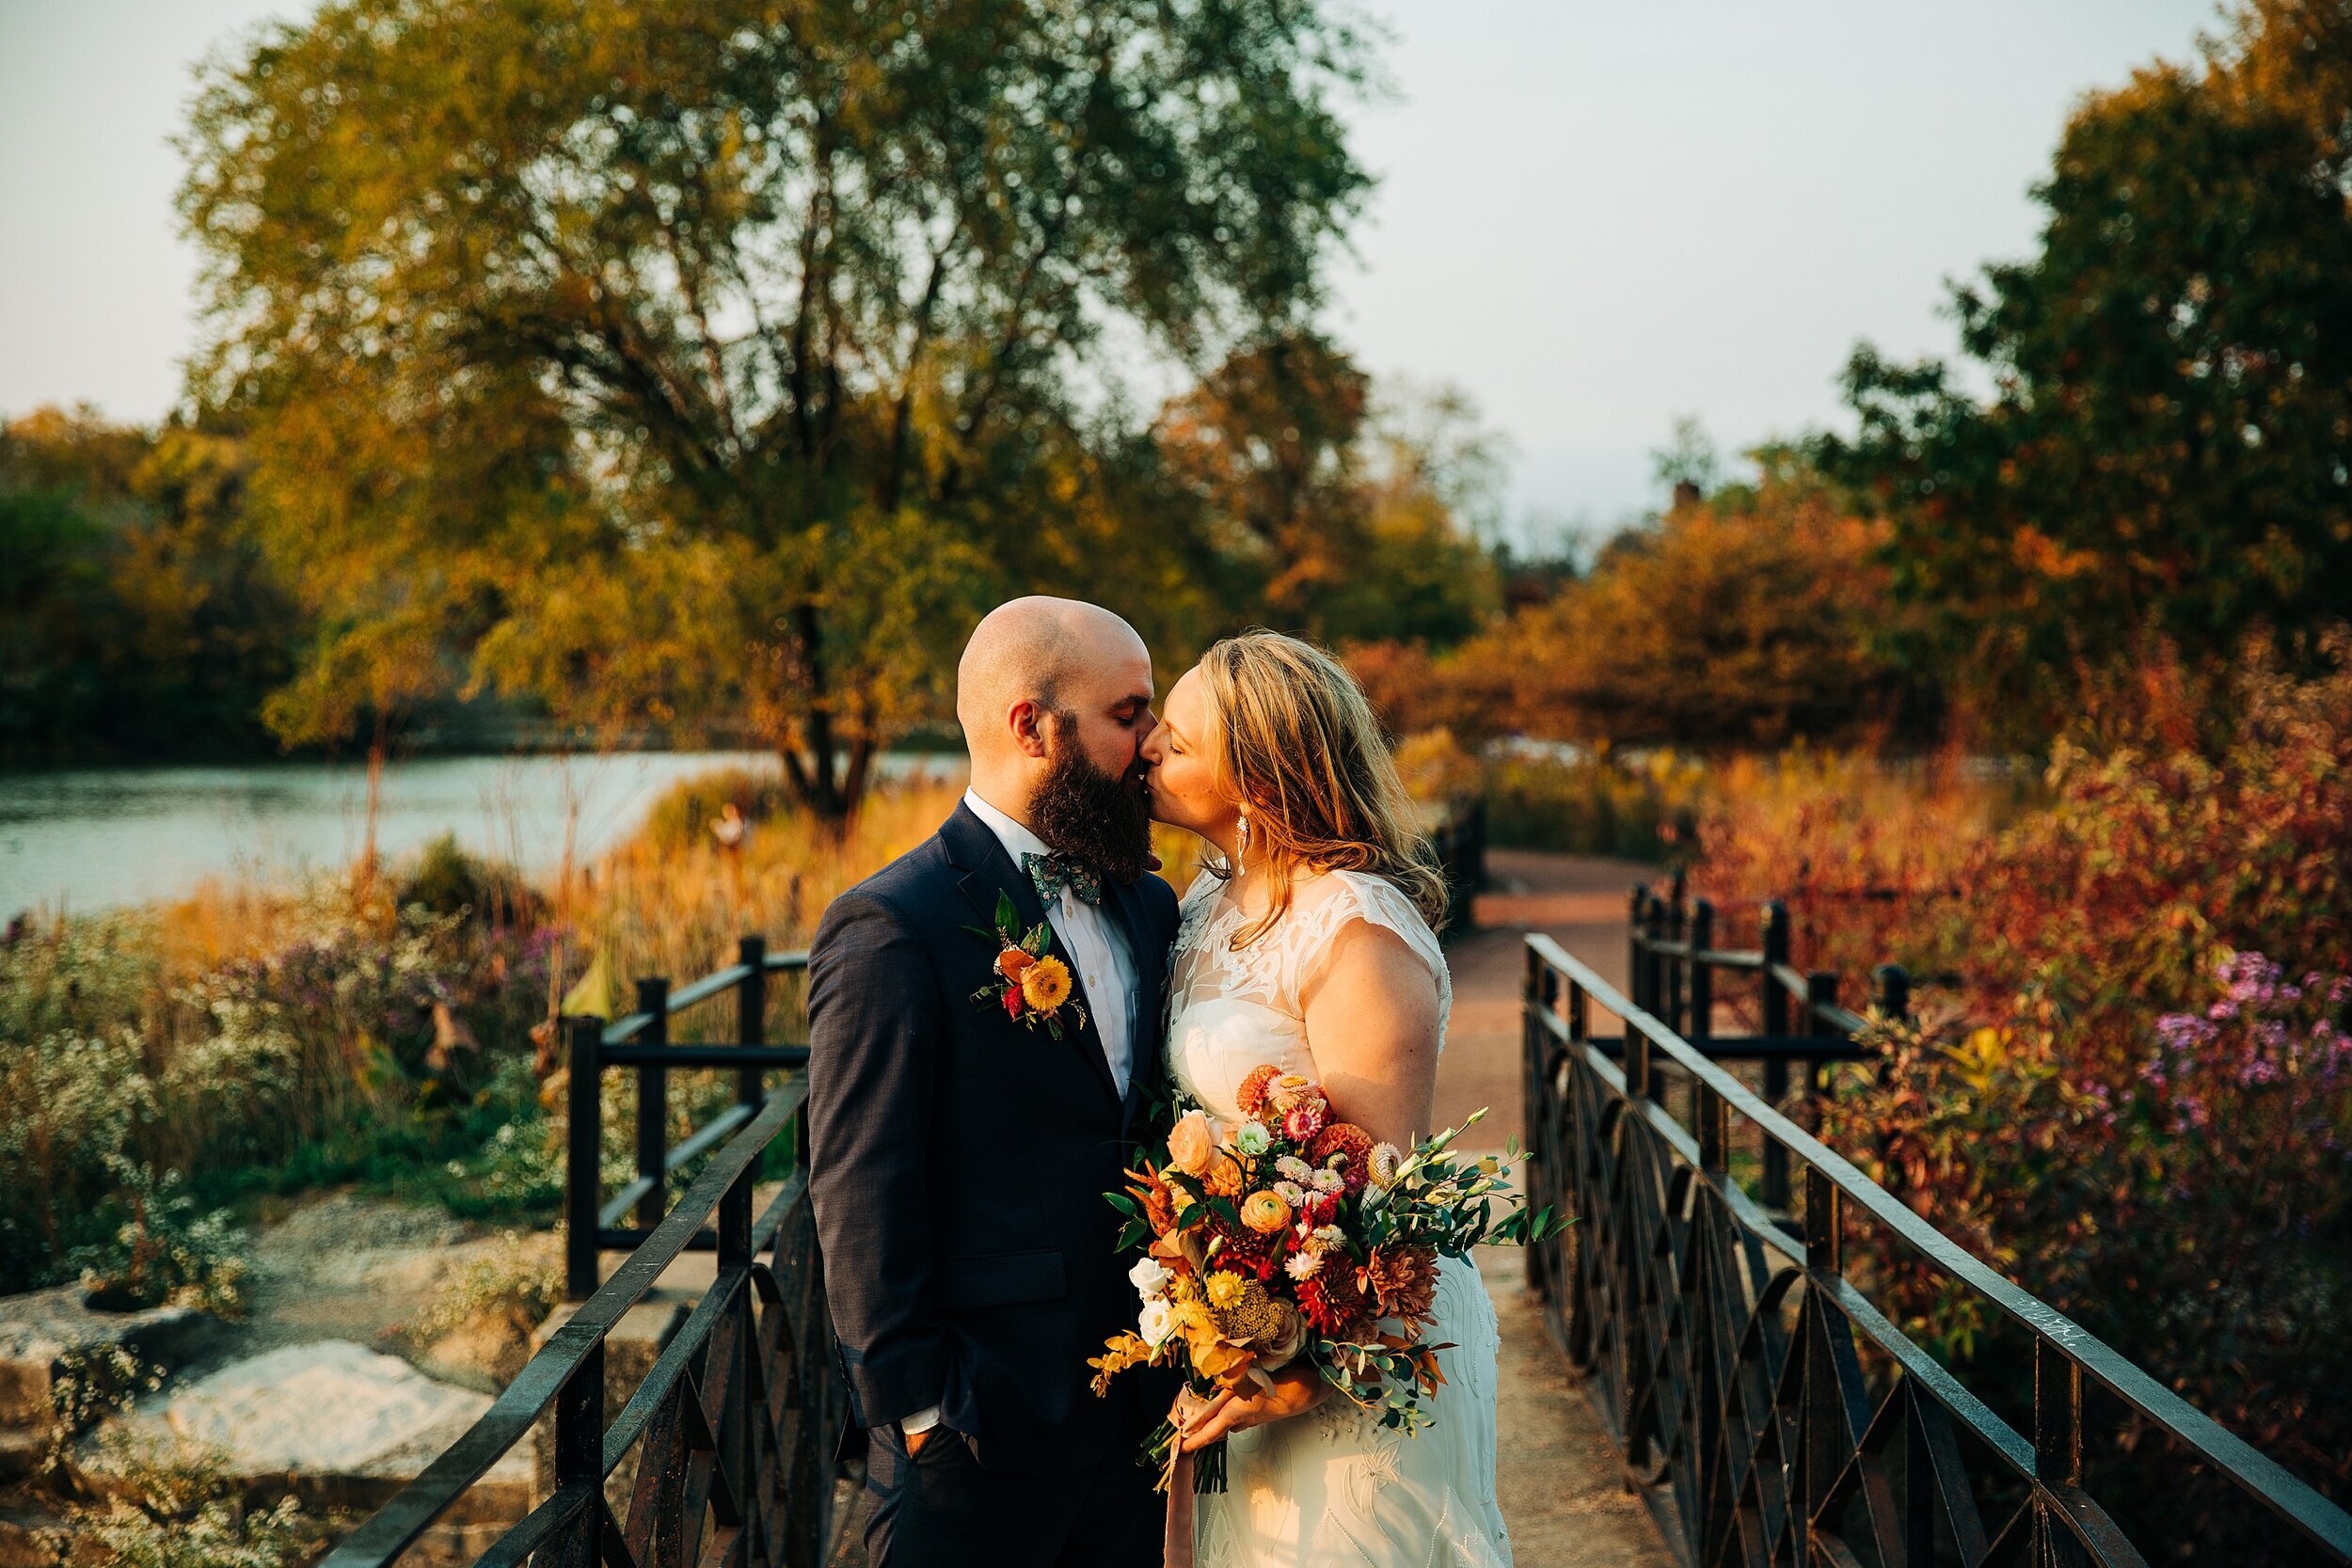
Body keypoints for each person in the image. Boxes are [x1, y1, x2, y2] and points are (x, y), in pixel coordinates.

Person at [806, 596, 1182, 1568]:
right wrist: (921, 1413)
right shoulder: (895, 921)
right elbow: (858, 1180)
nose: (1152, 742)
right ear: (1031, 725)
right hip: (980, 1432)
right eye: (1129, 711)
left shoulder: (1147, 902)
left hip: (1142, 1411)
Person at [1137, 629, 1512, 1568]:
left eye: (1176, 740)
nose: (1147, 746)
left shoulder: (1352, 922)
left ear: (1256, 774)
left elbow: (1376, 1187)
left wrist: (1298, 1368)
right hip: (1245, 1335)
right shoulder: (1205, 899)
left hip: (1349, 1357)